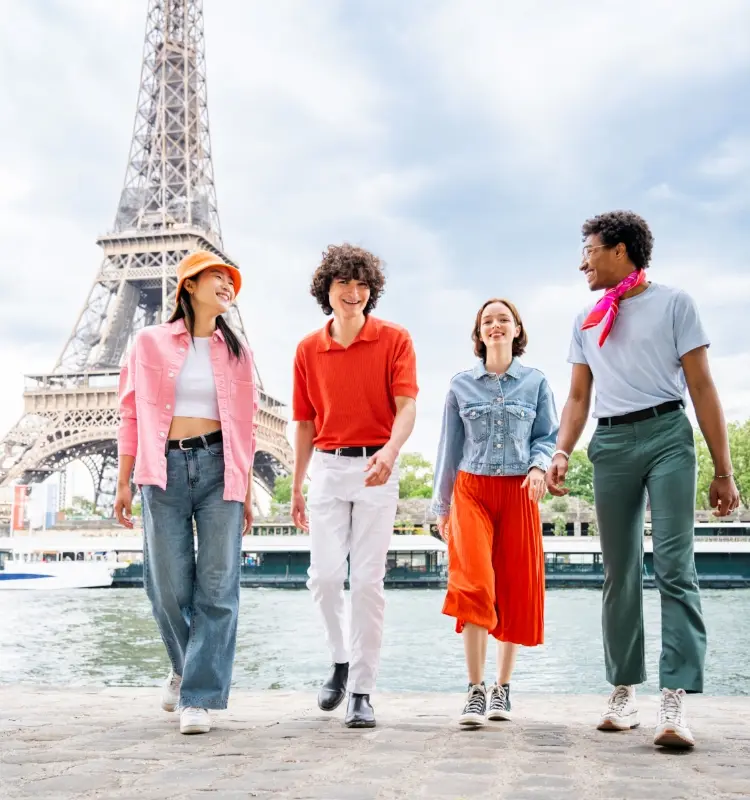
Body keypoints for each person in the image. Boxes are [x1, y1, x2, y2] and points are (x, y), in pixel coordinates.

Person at [546, 211, 739, 749]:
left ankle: (674, 698)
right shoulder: (586, 316)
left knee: (676, 566)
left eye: (588, 249)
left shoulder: (676, 303)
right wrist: (561, 451)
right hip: (609, 445)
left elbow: (701, 386)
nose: (581, 260)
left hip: (668, 436)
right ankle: (625, 689)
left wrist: (724, 471)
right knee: (620, 571)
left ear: (621, 250)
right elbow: (579, 397)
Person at [114, 250, 259, 735]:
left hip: (221, 467)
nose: (227, 285)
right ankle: (185, 667)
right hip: (163, 469)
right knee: (169, 585)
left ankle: (197, 696)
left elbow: (246, 426)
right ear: (189, 286)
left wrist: (247, 487)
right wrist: (123, 480)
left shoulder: (238, 352)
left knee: (218, 587)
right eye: (218, 277)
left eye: (231, 280)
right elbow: (131, 413)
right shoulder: (148, 342)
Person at [290, 243, 418, 729]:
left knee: (367, 582)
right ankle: (340, 660)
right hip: (326, 466)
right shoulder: (308, 349)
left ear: (372, 291)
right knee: (323, 579)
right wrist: (298, 484)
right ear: (327, 289)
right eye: (343, 283)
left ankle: (362, 690)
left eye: (362, 284)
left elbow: (406, 407)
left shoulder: (395, 339)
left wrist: (390, 452)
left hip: (377, 468)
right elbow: (303, 424)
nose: (353, 292)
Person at [431, 298, 558, 727]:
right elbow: (448, 450)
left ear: (517, 329)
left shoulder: (537, 383)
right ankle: (474, 689)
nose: (496, 325)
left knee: (512, 588)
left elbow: (547, 436)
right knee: (473, 585)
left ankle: (502, 689)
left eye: (504, 319)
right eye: (488, 321)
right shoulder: (460, 385)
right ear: (479, 333)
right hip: (472, 490)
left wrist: (540, 466)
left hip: (520, 490)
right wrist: (441, 506)